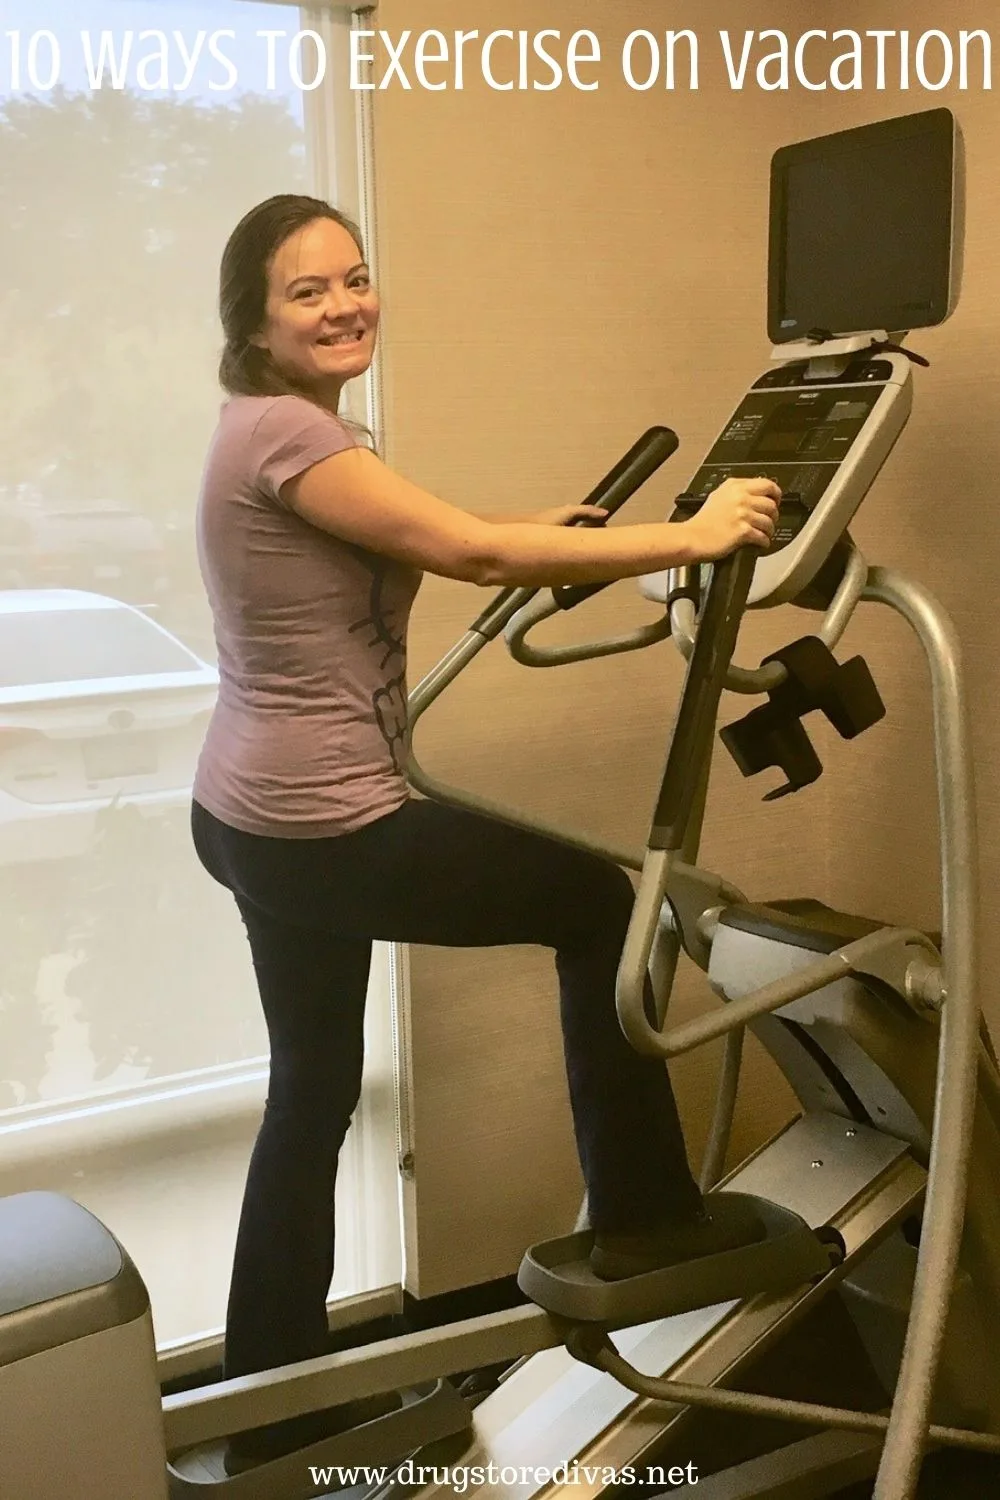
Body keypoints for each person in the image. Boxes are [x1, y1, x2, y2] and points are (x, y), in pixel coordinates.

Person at [190, 193, 780, 1471]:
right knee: (600, 905)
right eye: (308, 292)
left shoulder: (275, 432)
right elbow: (465, 552)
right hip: (323, 825)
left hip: (245, 816)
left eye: (356, 277)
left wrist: (561, 544)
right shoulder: (290, 433)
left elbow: (452, 539)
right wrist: (692, 532)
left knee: (311, 1091)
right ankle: (642, 1217)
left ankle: (267, 1399)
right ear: (254, 320)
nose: (346, 304)